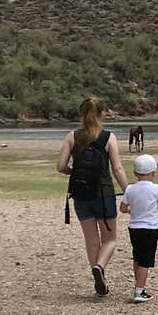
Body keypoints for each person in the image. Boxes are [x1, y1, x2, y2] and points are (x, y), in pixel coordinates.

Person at [57, 97, 128, 297]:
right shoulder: (108, 137)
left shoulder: (72, 137)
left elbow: (61, 167)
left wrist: (77, 172)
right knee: (110, 239)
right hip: (104, 194)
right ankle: (100, 267)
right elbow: (117, 168)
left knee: (91, 240)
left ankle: (98, 277)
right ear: (102, 114)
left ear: (81, 114)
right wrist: (129, 191)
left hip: (80, 195)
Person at [119, 154, 158, 305]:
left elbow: (123, 208)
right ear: (153, 173)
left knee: (137, 257)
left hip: (134, 228)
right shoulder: (155, 188)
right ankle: (139, 291)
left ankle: (138, 285)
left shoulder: (130, 189)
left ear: (135, 173)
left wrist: (131, 211)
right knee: (145, 261)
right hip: (150, 229)